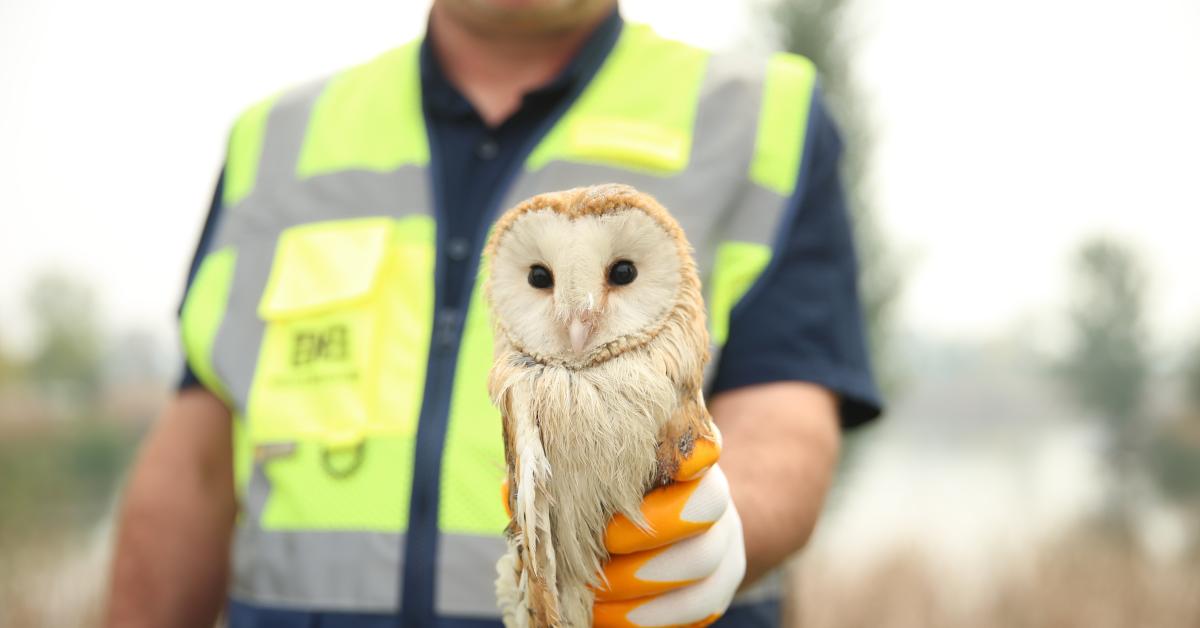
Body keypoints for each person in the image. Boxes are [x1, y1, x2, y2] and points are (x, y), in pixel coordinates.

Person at [105, 1, 882, 626]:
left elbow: (787, 417)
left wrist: (713, 530)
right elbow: (195, 464)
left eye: (619, 274)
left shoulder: (755, 117)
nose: (579, 316)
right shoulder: (277, 140)